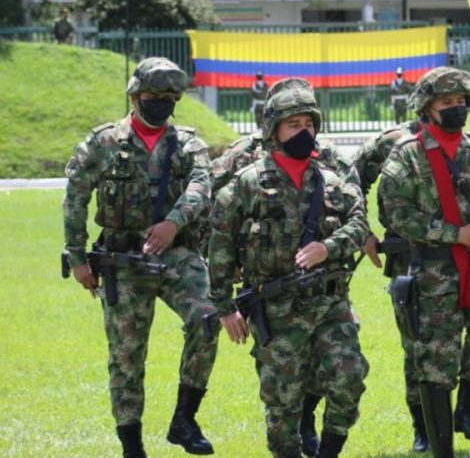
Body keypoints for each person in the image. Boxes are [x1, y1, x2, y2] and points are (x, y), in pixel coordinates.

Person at [62, 57, 218, 457]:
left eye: (169, 98)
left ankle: (184, 420)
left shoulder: (188, 142)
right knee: (126, 356)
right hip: (122, 260)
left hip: (176, 254)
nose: (160, 104)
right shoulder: (103, 142)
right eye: (152, 97)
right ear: (134, 96)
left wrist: (173, 222)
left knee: (206, 319)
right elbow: (76, 196)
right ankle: (133, 446)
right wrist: (77, 256)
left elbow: (202, 184)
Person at [208, 80, 370, 458]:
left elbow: (359, 224)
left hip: (330, 305)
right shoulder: (247, 184)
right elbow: (219, 242)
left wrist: (326, 247)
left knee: (349, 378)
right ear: (274, 131)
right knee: (282, 405)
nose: (303, 132)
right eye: (293, 125)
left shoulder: (330, 181)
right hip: (277, 310)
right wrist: (224, 306)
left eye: (308, 124)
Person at [378, 66, 470, 458]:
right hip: (433, 273)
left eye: (462, 102)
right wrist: (453, 234)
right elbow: (395, 213)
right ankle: (442, 451)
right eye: (447, 103)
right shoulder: (407, 156)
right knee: (435, 363)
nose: (457, 108)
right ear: (427, 108)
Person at [353, 110, 470, 453]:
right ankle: (423, 426)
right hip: (411, 259)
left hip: (465, 258)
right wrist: (363, 230)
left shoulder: (465, 144)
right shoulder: (391, 142)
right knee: (417, 348)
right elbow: (347, 179)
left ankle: (466, 408)